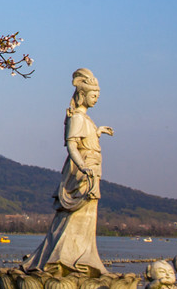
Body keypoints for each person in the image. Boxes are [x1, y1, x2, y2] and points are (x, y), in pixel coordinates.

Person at [22, 68, 113, 276]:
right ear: (82, 94)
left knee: (87, 218)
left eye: (97, 95)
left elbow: (85, 140)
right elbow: (72, 147)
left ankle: (81, 258)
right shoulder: (77, 118)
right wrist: (83, 167)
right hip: (81, 172)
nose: (96, 99)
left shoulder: (86, 120)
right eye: (93, 95)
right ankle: (62, 259)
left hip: (91, 170)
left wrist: (98, 132)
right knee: (75, 217)